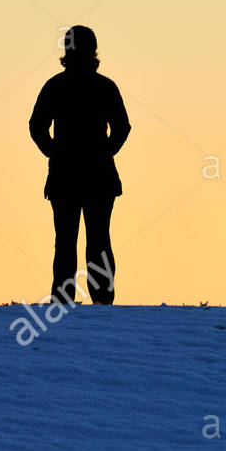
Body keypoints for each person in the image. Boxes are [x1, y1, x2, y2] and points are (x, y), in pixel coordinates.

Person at [29, 26, 131, 305]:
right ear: (93, 50)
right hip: (98, 175)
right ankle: (102, 299)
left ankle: (63, 300)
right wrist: (106, 152)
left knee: (65, 242)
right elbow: (123, 128)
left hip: (66, 175)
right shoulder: (104, 86)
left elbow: (36, 127)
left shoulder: (55, 86)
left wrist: (54, 152)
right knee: (99, 240)